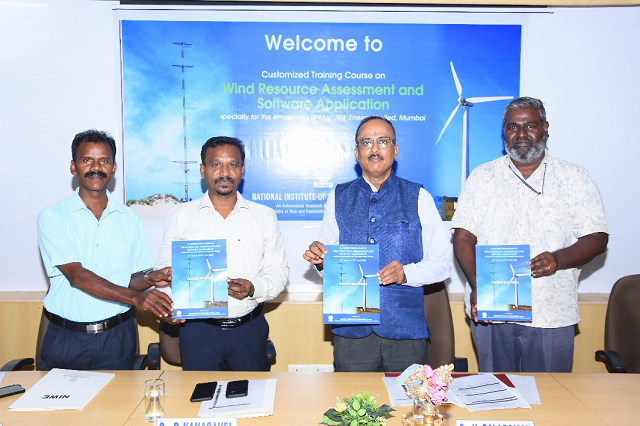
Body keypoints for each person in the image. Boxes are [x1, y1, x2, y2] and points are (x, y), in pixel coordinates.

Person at [451, 97, 608, 372]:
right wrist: (480, 288)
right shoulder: (483, 177)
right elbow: (463, 237)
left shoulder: (575, 178)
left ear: (545, 128)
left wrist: (558, 259)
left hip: (551, 313)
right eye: (513, 127)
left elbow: (597, 237)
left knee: (551, 394)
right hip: (493, 309)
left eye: (530, 126)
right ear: (504, 133)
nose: (521, 134)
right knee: (497, 390)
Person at [303, 116, 452, 372]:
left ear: (395, 150)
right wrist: (321, 262)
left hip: (406, 332)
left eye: (383, 141)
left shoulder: (419, 197)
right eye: (366, 142)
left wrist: (407, 273)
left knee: (408, 398)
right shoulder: (337, 197)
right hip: (351, 334)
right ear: (356, 153)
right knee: (351, 399)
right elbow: (329, 263)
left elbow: (443, 263)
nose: (374, 149)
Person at [37, 129, 175, 370]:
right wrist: (136, 298)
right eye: (87, 160)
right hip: (66, 338)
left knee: (121, 396)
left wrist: (150, 278)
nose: (96, 168)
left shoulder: (129, 218)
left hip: (117, 338)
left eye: (104, 161)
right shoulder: (52, 217)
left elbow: (130, 280)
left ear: (113, 168)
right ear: (73, 166)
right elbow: (77, 276)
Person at [156, 136, 289, 371]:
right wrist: (169, 308)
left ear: (242, 170)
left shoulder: (264, 216)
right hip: (198, 332)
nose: (225, 172)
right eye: (216, 164)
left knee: (250, 394)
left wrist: (253, 287)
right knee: (199, 393)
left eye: (233, 165)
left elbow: (279, 272)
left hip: (249, 331)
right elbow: (165, 274)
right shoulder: (181, 216)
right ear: (202, 170)